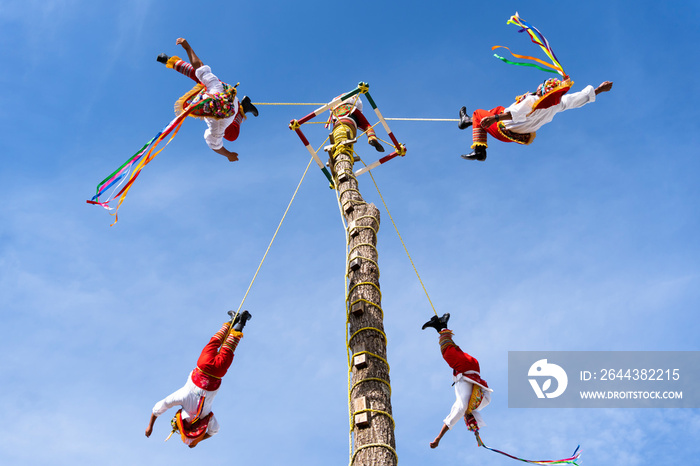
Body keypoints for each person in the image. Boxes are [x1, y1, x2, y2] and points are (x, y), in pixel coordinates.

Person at [145, 310, 252, 447]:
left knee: (229, 346)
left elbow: (214, 430)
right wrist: (150, 426)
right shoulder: (182, 397)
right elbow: (157, 409)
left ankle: (241, 321)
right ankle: (232, 320)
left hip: (217, 372)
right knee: (215, 342)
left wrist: (198, 440)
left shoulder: (206, 416)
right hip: (203, 365)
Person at [458, 78, 613, 161]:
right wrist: (600, 89)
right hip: (517, 136)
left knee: (479, 113)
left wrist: (495, 118)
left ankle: (479, 151)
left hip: (504, 129)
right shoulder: (557, 104)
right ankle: (468, 121)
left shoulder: (532, 100)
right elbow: (577, 99)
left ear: (543, 90)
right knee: (497, 109)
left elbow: (515, 113)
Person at [156, 38, 259, 162]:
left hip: (230, 102)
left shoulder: (217, 124)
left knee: (232, 136)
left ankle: (243, 109)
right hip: (228, 96)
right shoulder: (217, 90)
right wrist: (187, 47)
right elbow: (198, 66)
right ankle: (244, 108)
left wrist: (229, 155)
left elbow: (216, 146)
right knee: (200, 76)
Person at [422, 312, 492, 449]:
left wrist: (476, 431)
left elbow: (486, 392)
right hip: (466, 368)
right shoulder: (465, 406)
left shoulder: (479, 403)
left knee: (453, 350)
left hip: (473, 366)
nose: (464, 418)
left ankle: (439, 326)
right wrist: (438, 438)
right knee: (447, 352)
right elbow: (453, 417)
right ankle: (443, 325)